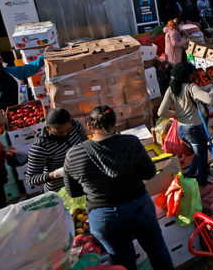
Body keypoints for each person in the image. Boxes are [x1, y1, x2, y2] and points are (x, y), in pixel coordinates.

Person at [64, 106, 174, 270]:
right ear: (114, 125)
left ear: (89, 126)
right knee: (157, 249)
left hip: (104, 217)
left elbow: (73, 192)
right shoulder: (130, 142)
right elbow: (149, 172)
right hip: (139, 208)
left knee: (122, 262)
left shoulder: (74, 155)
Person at [157, 62, 213, 182]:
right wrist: (212, 89)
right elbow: (209, 99)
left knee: (199, 153)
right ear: (187, 75)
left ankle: (189, 177)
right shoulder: (191, 87)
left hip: (181, 131)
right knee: (202, 159)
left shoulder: (171, 89)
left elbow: (161, 112)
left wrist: (176, 115)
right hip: (194, 129)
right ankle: (201, 186)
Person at [25, 108, 86, 193]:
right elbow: (31, 179)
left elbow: (86, 144)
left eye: (68, 130)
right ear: (47, 128)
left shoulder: (75, 125)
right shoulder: (40, 147)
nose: (65, 134)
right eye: (59, 133)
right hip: (61, 190)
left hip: (84, 181)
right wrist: (56, 174)